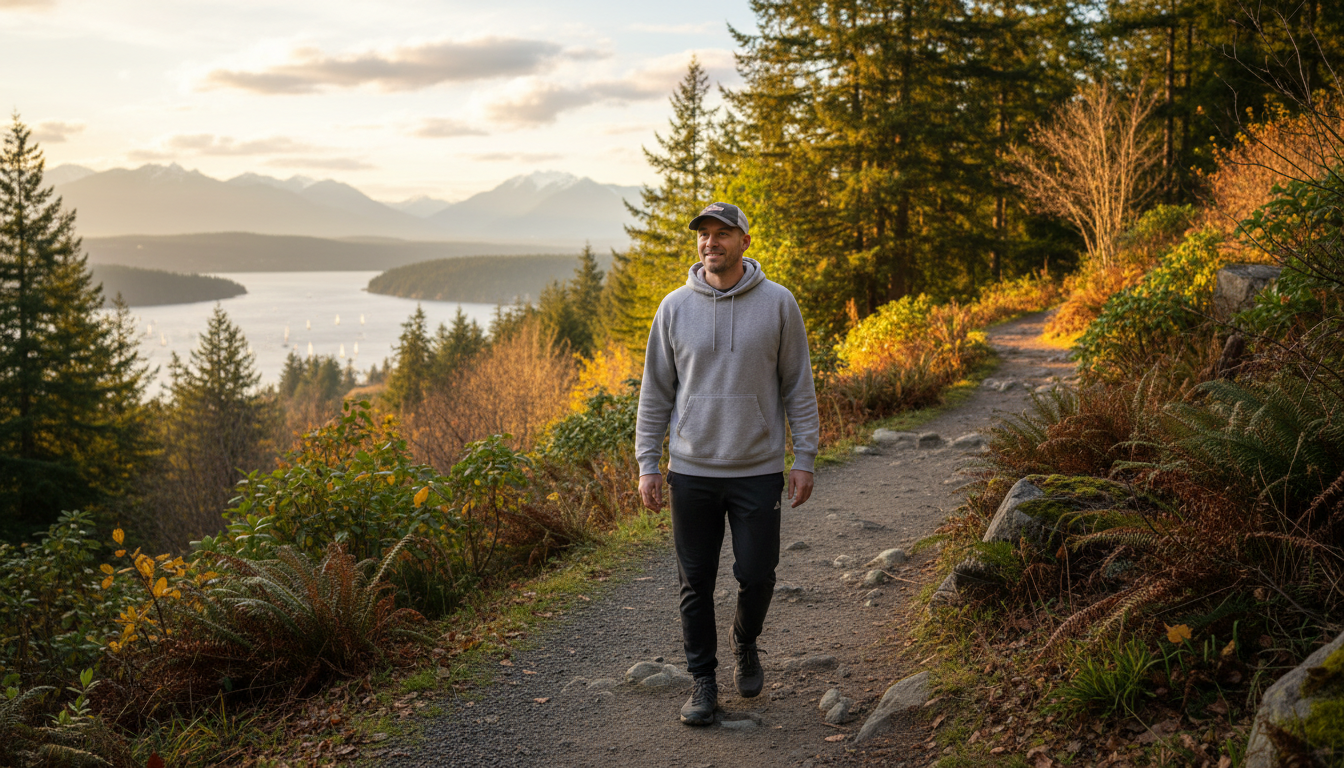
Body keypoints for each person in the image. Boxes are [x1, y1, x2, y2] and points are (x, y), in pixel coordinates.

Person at [635, 201, 820, 726]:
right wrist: (649, 462)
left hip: (758, 468)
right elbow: (655, 394)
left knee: (758, 574)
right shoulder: (673, 308)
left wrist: (803, 456)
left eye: (722, 234)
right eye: (703, 235)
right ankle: (703, 682)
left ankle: (745, 640)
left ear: (743, 240)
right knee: (694, 583)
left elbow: (798, 387)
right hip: (690, 470)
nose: (710, 242)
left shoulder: (779, 304)